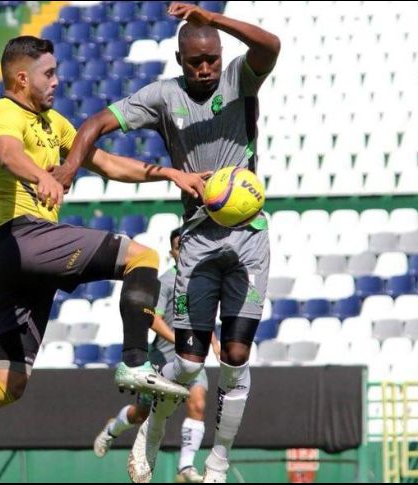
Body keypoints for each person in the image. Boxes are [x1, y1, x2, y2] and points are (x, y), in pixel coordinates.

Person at [0, 35, 211, 483]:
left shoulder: (53, 123)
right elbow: (9, 153)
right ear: (22, 78)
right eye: (49, 74)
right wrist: (43, 177)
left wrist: (170, 174)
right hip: (24, 236)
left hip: (15, 264)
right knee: (144, 256)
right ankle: (136, 362)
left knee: (9, 383)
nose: (57, 81)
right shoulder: (4, 113)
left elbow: (108, 164)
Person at [56, 3, 281, 482]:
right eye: (195, 61)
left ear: (220, 54)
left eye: (212, 59)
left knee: (236, 358)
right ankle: (150, 433)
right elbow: (94, 124)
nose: (205, 69)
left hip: (248, 238)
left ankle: (217, 465)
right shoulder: (161, 97)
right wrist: (72, 166)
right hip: (196, 241)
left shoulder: (240, 79)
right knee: (186, 361)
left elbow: (270, 46)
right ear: (180, 60)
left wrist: (214, 19)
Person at [93, 229, 220, 483]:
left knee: (198, 403)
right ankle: (112, 428)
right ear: (172, 252)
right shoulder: (165, 282)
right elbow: (152, 317)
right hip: (163, 358)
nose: (183, 250)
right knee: (141, 413)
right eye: (178, 246)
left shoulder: (201, 281)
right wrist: (179, 339)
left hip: (192, 357)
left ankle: (185, 468)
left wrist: (214, 342)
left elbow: (201, 320)